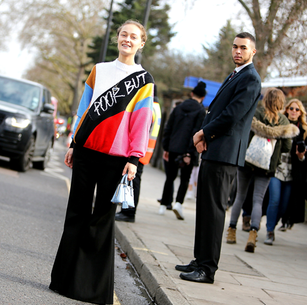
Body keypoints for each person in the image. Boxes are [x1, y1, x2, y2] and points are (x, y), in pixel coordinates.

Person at [49, 20, 154, 304]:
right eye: (123, 35)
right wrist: (73, 142)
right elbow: (84, 109)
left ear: (141, 43)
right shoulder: (99, 70)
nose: (127, 40)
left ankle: (91, 288)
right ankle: (63, 281)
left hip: (117, 159)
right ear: (117, 38)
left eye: (134, 37)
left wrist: (135, 158)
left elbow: (141, 123)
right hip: (86, 152)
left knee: (103, 220)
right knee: (76, 214)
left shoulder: (144, 81)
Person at [175, 32, 261, 284]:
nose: (237, 51)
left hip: (226, 154)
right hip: (214, 149)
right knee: (204, 208)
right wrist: (204, 137)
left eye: (243, 48)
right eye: (235, 47)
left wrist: (203, 132)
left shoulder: (251, 79)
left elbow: (232, 115)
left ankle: (207, 269)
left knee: (213, 211)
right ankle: (199, 259)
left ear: (252, 52)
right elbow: (215, 110)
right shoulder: (236, 74)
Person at [226, 88, 298, 250]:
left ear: (265, 99)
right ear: (281, 102)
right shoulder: (284, 122)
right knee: (258, 199)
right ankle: (253, 234)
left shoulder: (256, 114)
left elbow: (245, 135)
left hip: (248, 162)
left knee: (240, 196)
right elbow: (287, 147)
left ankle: (231, 231)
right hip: (267, 166)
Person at [158, 81, 207, 219]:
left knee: (170, 177)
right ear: (202, 97)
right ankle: (178, 204)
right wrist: (189, 152)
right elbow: (196, 132)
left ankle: (163, 205)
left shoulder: (178, 108)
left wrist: (166, 147)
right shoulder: (200, 112)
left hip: (173, 148)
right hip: (188, 152)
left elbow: (168, 128)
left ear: (191, 94)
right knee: (185, 179)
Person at [115, 86, 162, 223]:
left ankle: (128, 212)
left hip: (139, 152)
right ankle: (127, 210)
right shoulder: (156, 107)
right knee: (133, 181)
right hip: (145, 152)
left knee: (132, 182)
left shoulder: (149, 108)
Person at [273, 99, 307, 231]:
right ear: (287, 110)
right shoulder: (279, 123)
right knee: (274, 200)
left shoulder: (305, 130)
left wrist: (301, 156)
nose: (294, 111)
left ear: (300, 112)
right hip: (277, 169)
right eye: (291, 108)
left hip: (292, 173)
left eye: (297, 109)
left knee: (284, 205)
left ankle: (273, 223)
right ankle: (269, 229)